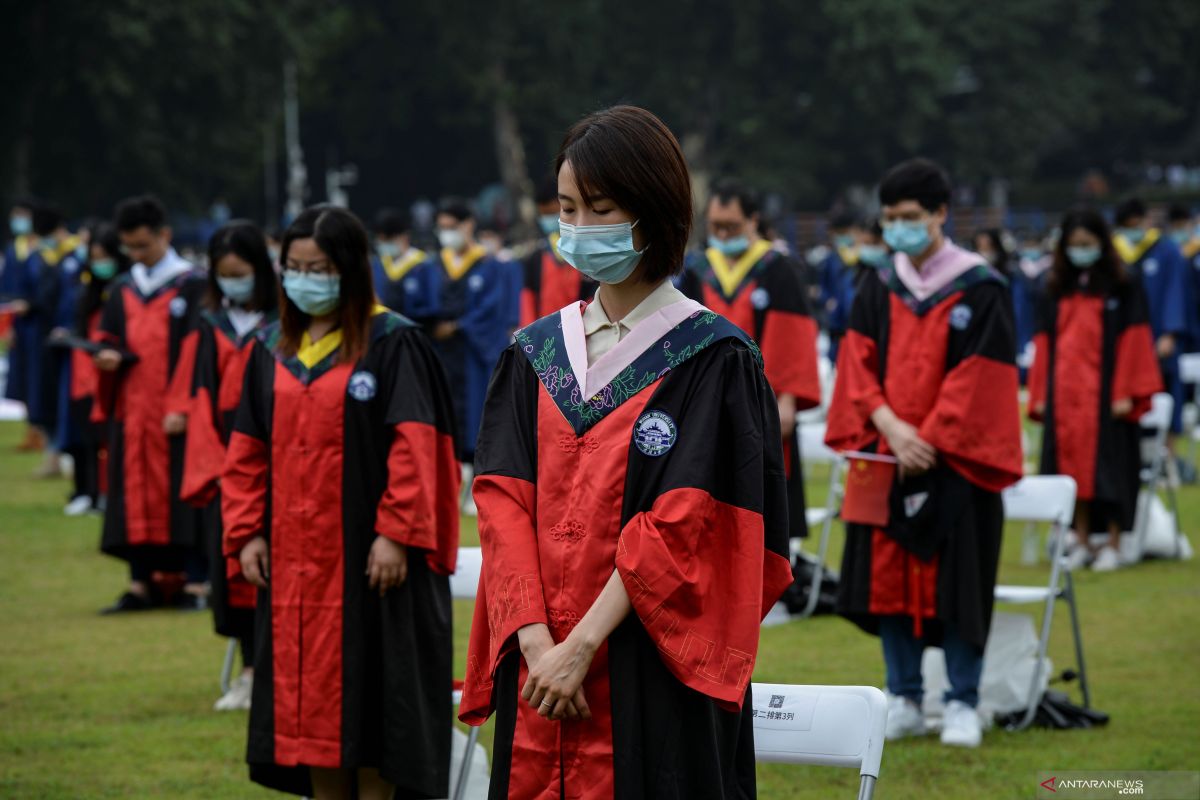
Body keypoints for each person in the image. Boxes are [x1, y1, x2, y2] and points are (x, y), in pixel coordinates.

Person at [459, 105, 794, 798]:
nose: (578, 230)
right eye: (567, 208)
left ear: (652, 210)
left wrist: (581, 649)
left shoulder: (713, 359)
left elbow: (687, 522)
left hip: (648, 672)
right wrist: (536, 646)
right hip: (540, 664)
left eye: (600, 209)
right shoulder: (535, 355)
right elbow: (501, 503)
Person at [221, 205, 460, 799]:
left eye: (320, 268)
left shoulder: (393, 343)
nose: (305, 280)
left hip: (371, 564)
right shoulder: (270, 348)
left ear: (350, 269)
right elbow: (246, 450)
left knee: (376, 707)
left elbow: (417, 446)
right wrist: (247, 530)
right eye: (294, 268)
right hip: (297, 566)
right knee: (311, 714)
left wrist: (397, 533)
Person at [825, 158, 1023, 748]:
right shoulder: (878, 283)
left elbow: (979, 376)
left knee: (958, 578)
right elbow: (855, 362)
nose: (898, 230)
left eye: (910, 218)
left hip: (954, 460)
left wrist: (928, 437)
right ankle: (904, 696)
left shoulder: (981, 287)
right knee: (889, 581)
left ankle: (963, 700)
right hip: (890, 455)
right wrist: (891, 428)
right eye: (889, 219)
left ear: (940, 214)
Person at [162, 220, 280, 710]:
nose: (233, 280)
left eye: (242, 271)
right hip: (226, 461)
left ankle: (278, 672)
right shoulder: (208, 324)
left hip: (278, 457)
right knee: (234, 566)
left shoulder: (283, 323)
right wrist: (216, 467)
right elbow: (197, 394)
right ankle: (251, 671)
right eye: (224, 273)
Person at [679, 177, 822, 542]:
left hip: (764, 402)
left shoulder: (778, 268)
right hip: (708, 401)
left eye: (732, 227)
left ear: (753, 221)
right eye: (716, 227)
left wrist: (786, 397)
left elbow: (792, 334)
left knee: (764, 501)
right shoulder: (698, 269)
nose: (723, 235)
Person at [1027, 209, 1162, 572]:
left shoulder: (1123, 284)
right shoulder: (1053, 287)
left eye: (1086, 244)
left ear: (1102, 244)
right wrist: (1040, 393)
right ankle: (1081, 539)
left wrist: (1126, 391)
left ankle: (1114, 542)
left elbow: (1135, 339)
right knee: (1069, 469)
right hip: (1067, 395)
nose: (1080, 251)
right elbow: (1043, 343)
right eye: (1073, 245)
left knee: (1112, 468)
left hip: (1107, 395)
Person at [93, 195, 208, 613]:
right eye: (130, 248)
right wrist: (107, 355)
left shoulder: (192, 283)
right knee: (134, 492)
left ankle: (194, 581)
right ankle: (141, 582)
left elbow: (199, 351)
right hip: (133, 408)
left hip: (178, 409)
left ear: (165, 235)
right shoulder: (123, 288)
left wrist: (184, 404)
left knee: (183, 492)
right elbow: (108, 336)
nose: (137, 255)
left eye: (143, 245)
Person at [426, 197, 519, 477]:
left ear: (468, 225)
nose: (447, 233)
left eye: (452, 226)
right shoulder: (434, 264)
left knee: (478, 408)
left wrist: (457, 326)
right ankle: (451, 470)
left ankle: (478, 472)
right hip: (441, 351)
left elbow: (493, 308)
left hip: (473, 350)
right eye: (442, 227)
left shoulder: (490, 265)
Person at [64, 225, 129, 515]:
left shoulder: (127, 290)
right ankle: (87, 491)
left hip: (116, 375)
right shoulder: (87, 292)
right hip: (85, 374)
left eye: (104, 256)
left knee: (111, 439)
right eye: (94, 257)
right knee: (86, 437)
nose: (99, 263)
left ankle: (108, 493)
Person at [1112, 198, 1189, 439]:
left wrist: (1170, 332)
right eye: (1129, 226)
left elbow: (1174, 292)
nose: (1134, 230)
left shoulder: (1166, 250)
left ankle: (1168, 453)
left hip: (1158, 336)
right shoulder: (1114, 253)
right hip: (1124, 339)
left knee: (1167, 391)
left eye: (1137, 224)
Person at [520, 175, 596, 326]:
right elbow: (528, 302)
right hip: (548, 335)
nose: (547, 219)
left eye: (551, 213)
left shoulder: (588, 251)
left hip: (583, 327)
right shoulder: (536, 258)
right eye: (543, 215)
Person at [2, 198, 44, 452]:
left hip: (39, 322)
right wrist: (6, 326)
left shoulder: (42, 249)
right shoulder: (13, 249)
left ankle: (41, 431)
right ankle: (32, 431)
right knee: (22, 378)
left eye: (21, 215)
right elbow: (5, 293)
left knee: (39, 377)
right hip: (18, 324)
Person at [818, 211, 864, 361]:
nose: (841, 237)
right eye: (838, 233)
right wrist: (828, 301)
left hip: (860, 325)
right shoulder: (831, 259)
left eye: (844, 232)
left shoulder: (864, 257)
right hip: (837, 325)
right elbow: (824, 287)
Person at [370, 207, 431, 317]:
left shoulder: (423, 265)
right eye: (381, 240)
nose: (384, 244)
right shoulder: (378, 265)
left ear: (404, 236)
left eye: (388, 239)